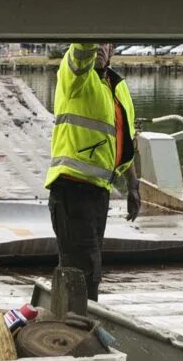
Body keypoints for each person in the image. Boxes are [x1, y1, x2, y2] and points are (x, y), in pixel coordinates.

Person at [45, 41, 139, 301]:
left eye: (105, 43)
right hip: (71, 188)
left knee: (86, 267)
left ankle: (74, 324)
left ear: (113, 50)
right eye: (94, 41)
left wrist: (132, 184)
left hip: (99, 192)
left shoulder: (116, 87)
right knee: (83, 269)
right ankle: (77, 329)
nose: (98, 47)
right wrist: (92, 23)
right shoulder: (75, 76)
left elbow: (126, 139)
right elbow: (82, 48)